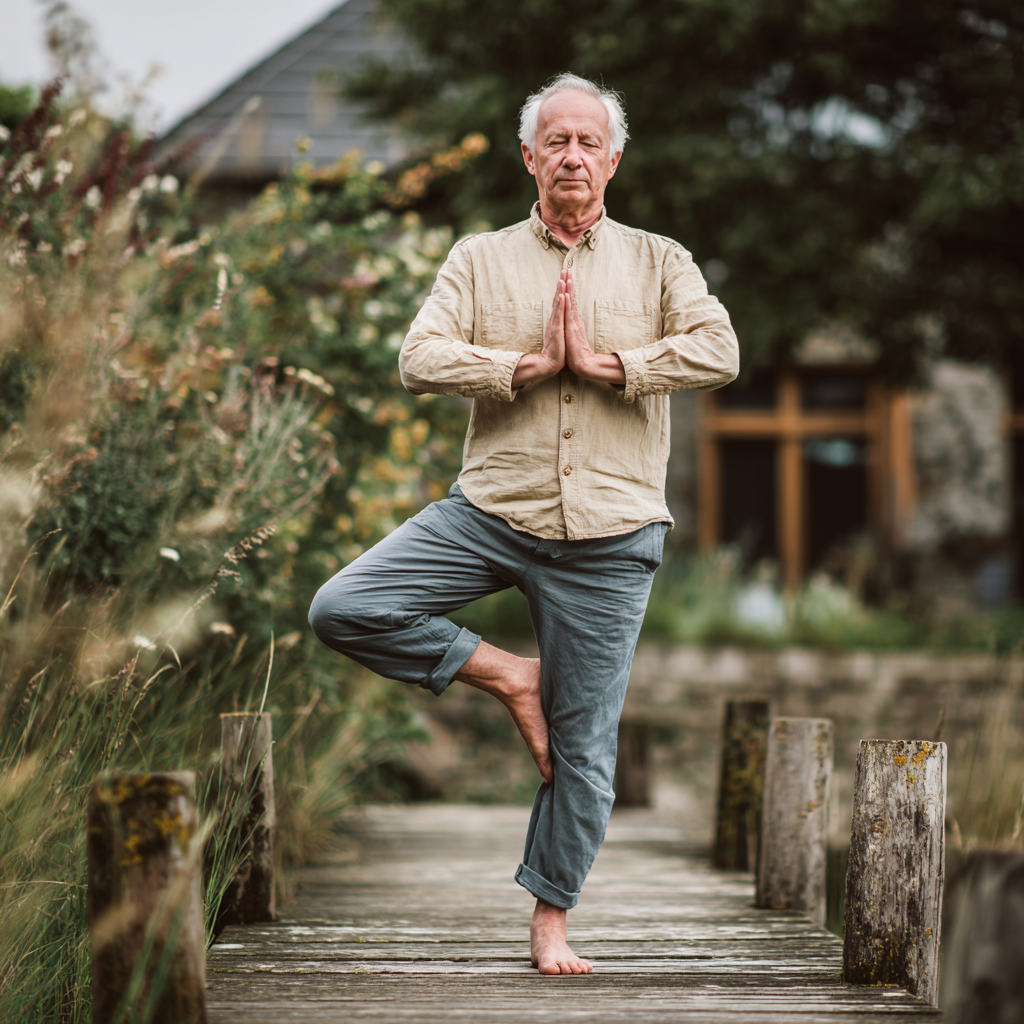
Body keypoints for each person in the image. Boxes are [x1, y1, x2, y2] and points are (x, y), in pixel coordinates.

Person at [309, 72, 739, 975]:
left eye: (589, 142)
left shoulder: (661, 259)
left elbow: (718, 349)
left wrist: (610, 363)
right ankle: (511, 675)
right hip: (491, 511)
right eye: (557, 141)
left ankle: (551, 919)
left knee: (584, 748)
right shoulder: (478, 258)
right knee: (343, 606)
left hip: (612, 534)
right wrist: (528, 366)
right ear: (529, 157)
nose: (573, 155)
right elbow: (419, 357)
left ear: (614, 159)